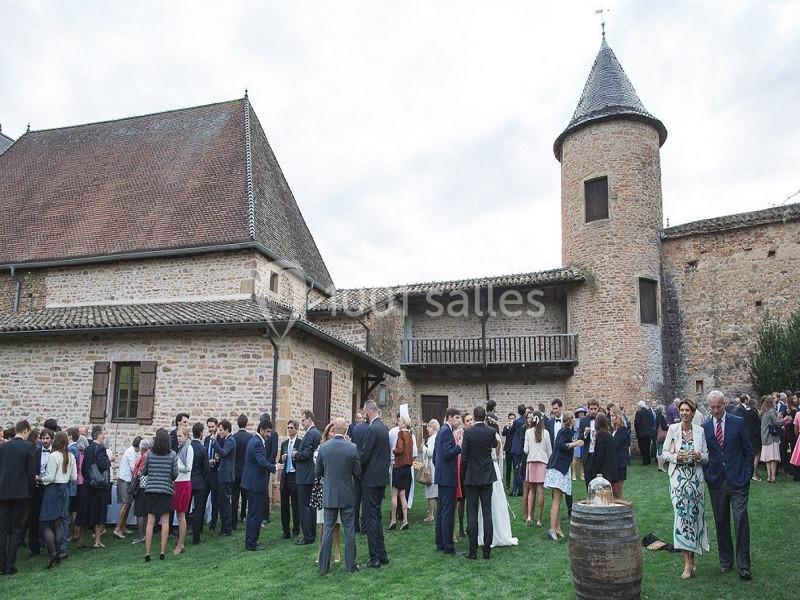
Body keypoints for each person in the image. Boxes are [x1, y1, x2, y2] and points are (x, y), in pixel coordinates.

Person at [703, 389, 754, 580]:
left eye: (718, 406)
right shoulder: (706, 427)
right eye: (712, 407)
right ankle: (726, 561)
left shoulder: (737, 422)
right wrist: (709, 474)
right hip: (716, 481)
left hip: (738, 480)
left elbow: (749, 450)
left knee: (741, 520)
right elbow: (705, 452)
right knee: (721, 521)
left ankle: (744, 565)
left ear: (724, 404)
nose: (715, 410)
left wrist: (748, 472)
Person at [661, 399, 709, 579]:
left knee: (695, 518)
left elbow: (706, 456)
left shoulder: (700, 431)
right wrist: (675, 457)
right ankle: (687, 563)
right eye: (681, 410)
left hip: (695, 482)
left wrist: (699, 456)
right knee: (681, 518)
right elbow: (664, 453)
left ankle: (693, 555)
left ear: (693, 412)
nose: (684, 413)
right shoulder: (673, 429)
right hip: (678, 482)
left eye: (687, 410)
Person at [316, 418, 361, 575]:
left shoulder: (324, 448)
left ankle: (323, 567)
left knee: (327, 529)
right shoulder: (352, 448)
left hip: (329, 493)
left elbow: (318, 472)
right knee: (349, 529)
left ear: (334, 429)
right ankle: (351, 566)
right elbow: (357, 471)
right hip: (347, 493)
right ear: (346, 429)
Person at [0, 420, 35, 576]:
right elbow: (30, 474)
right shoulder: (28, 447)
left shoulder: (3, 447)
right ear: (26, 430)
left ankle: (1, 564)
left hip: (3, 492)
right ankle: (10, 565)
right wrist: (31, 490)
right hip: (20, 494)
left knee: (2, 529)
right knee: (15, 529)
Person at [461, 406, 497, 560]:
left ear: (474, 417)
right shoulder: (490, 432)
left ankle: (473, 550)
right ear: (484, 418)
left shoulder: (468, 433)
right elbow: (495, 445)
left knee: (472, 514)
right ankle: (487, 549)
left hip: (472, 477)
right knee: (487, 512)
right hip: (487, 475)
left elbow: (464, 457)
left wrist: (464, 475)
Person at [39, 431, 77, 569]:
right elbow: (73, 477)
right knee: (58, 522)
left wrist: (39, 479)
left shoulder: (54, 455)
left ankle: (54, 552)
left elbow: (49, 477)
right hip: (65, 489)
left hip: (53, 490)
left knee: (45, 523)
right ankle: (60, 550)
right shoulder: (71, 456)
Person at [359, 400, 390, 567]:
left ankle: (375, 557)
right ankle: (382, 554)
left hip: (370, 480)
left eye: (365, 412)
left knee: (371, 519)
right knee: (377, 516)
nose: (364, 415)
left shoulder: (372, 429)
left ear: (369, 412)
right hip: (381, 479)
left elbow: (365, 455)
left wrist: (357, 467)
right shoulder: (383, 428)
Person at [545, 412, 582, 541]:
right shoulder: (565, 431)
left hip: (561, 468)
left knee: (558, 499)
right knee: (556, 499)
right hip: (558, 468)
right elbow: (560, 446)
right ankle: (552, 529)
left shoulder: (566, 431)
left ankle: (558, 528)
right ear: (571, 420)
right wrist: (576, 443)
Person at [241, 419, 277, 551]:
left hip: (252, 483)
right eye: (267, 432)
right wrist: (274, 467)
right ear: (261, 430)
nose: (269, 435)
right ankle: (251, 543)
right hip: (255, 484)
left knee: (253, 514)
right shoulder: (256, 442)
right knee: (255, 514)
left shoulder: (254, 441)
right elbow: (261, 461)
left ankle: (251, 541)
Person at [142, 429, 177, 562]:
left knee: (150, 522)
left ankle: (147, 552)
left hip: (151, 490)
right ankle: (162, 551)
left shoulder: (150, 454)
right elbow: (175, 474)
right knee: (165, 521)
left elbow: (144, 472)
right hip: (165, 490)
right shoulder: (172, 455)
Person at [75, 426, 111, 549]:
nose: (104, 436)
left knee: (85, 512)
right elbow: (102, 465)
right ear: (99, 435)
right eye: (103, 434)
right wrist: (109, 461)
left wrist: (88, 478)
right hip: (98, 486)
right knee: (98, 513)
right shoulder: (101, 449)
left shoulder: (88, 448)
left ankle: (81, 539)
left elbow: (84, 467)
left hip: (87, 484)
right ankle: (97, 541)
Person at [433, 407, 461, 556]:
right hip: (447, 478)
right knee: (447, 512)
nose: (459, 421)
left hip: (442, 476)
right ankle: (448, 545)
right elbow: (446, 453)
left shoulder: (442, 431)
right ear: (449, 417)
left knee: (442, 512)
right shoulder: (446, 431)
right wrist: (459, 447)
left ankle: (440, 542)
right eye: (457, 418)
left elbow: (436, 457)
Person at [294, 410, 322, 545]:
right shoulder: (315, 433)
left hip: (305, 475)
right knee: (311, 506)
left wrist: (295, 455)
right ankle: (311, 533)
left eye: (303, 420)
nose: (302, 423)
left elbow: (306, 454)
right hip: (310, 474)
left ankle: (308, 535)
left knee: (305, 506)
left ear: (310, 419)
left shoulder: (311, 434)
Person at [315, 424, 341, 565]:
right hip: (323, 488)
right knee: (323, 524)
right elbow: (317, 467)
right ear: (326, 434)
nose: (332, 434)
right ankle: (321, 550)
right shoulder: (321, 449)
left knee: (336, 522)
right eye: (330, 432)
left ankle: (337, 550)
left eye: (334, 431)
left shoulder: (340, 448)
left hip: (336, 488)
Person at [28, 428, 53, 556]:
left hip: (50, 488)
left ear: (51, 439)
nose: (45, 441)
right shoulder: (36, 453)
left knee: (49, 518)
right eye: (43, 438)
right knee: (35, 517)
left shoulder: (55, 453)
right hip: (38, 488)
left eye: (47, 438)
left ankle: (50, 545)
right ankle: (34, 546)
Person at [523, 412, 551, 527]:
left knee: (531, 490)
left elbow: (525, 450)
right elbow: (550, 451)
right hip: (542, 462)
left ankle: (530, 516)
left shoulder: (528, 432)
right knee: (540, 490)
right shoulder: (546, 433)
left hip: (531, 461)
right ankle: (539, 519)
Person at [113, 436, 141, 539]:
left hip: (128, 480)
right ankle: (117, 529)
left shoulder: (132, 452)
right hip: (124, 480)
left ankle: (123, 527)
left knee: (128, 504)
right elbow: (133, 467)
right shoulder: (130, 452)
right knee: (125, 504)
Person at [389, 416, 413, 530]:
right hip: (407, 467)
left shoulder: (400, 434)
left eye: (400, 421)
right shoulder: (410, 434)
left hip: (399, 466)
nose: (398, 423)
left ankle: (393, 520)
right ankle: (405, 520)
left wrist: (393, 450)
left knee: (394, 494)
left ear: (404, 423)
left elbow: (399, 450)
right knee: (403, 494)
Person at [172, 427, 193, 555]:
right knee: (178, 514)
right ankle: (180, 541)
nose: (178, 438)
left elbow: (188, 468)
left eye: (180, 436)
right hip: (178, 482)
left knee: (181, 514)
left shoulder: (189, 449)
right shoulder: (180, 450)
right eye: (177, 436)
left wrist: (175, 467)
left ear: (186, 436)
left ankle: (181, 543)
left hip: (184, 483)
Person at [214, 419, 236, 536]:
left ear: (227, 429)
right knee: (223, 502)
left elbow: (224, 453)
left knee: (225, 503)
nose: (219, 432)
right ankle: (225, 528)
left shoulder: (230, 440)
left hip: (226, 476)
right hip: (224, 475)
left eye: (221, 430)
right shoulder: (227, 440)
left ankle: (227, 529)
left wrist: (214, 443)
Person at [279, 419, 301, 539]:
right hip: (285, 476)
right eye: (288, 428)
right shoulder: (284, 444)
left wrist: (295, 456)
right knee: (284, 505)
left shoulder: (300, 443)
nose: (289, 430)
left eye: (291, 428)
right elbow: (279, 462)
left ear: (296, 429)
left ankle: (296, 529)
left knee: (295, 505)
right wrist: (282, 459)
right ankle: (285, 530)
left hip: (295, 476)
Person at [188, 423, 208, 545]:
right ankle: (196, 537)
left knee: (185, 510)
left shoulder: (188, 447)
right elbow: (206, 469)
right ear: (201, 434)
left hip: (188, 481)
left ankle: (182, 534)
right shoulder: (202, 449)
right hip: (199, 482)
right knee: (198, 510)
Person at [349, 412, 369, 533]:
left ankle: (355, 525)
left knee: (356, 498)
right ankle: (364, 526)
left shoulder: (355, 428)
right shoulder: (369, 428)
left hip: (356, 465)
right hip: (366, 467)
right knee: (365, 498)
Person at [231, 414, 252, 528]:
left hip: (235, 470)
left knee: (235, 496)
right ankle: (243, 515)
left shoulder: (234, 437)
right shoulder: (250, 438)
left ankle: (233, 520)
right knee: (245, 495)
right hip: (245, 471)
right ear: (246, 423)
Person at [454, 411, 472, 539]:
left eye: (471, 420)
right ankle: (460, 526)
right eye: (467, 420)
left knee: (471, 500)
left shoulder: (475, 433)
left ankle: (470, 526)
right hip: (461, 468)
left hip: (472, 468)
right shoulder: (458, 434)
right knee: (462, 500)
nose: (470, 422)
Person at [584, 413, 617, 486]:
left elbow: (600, 455)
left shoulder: (600, 435)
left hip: (604, 473)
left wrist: (595, 471)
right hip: (611, 471)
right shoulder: (608, 434)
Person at [130, 437, 152, 545]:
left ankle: (142, 535)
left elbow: (139, 472)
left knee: (140, 512)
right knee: (146, 512)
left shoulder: (144, 457)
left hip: (142, 486)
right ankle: (145, 535)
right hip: (148, 486)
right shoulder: (150, 456)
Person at [609, 406, 631, 500]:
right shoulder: (614, 430)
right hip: (613, 463)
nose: (611, 418)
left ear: (618, 416)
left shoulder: (623, 430)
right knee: (613, 492)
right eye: (610, 416)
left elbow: (615, 445)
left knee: (618, 492)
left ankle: (623, 512)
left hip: (620, 464)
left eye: (613, 416)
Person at [759, 397, 781, 483]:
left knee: (768, 459)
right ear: (772, 403)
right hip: (772, 438)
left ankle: (768, 477)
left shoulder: (763, 412)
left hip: (764, 437)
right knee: (773, 459)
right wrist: (785, 419)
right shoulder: (771, 412)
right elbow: (777, 423)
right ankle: (773, 477)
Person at [203, 417, 219, 532]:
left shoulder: (219, 439)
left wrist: (215, 460)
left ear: (217, 427)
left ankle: (213, 524)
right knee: (203, 498)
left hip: (216, 472)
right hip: (206, 473)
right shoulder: (207, 439)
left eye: (213, 427)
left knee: (215, 499)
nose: (211, 429)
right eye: (209, 427)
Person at [421, 419, 439, 522]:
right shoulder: (434, 438)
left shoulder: (433, 438)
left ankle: (431, 515)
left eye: (429, 427)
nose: (427, 429)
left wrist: (423, 447)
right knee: (434, 492)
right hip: (433, 467)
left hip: (431, 468)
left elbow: (431, 452)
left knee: (431, 493)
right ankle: (433, 512)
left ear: (434, 428)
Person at [741, 397, 762, 481]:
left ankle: (750, 472)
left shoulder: (745, 412)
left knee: (749, 455)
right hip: (755, 436)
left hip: (747, 435)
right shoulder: (754, 412)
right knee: (756, 455)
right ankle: (753, 473)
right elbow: (758, 423)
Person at [509, 404, 526, 496]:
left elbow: (511, 432)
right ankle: (521, 488)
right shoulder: (526, 421)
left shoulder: (516, 422)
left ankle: (516, 489)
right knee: (522, 468)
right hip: (523, 447)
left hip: (516, 448)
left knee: (516, 469)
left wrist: (510, 426)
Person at [634, 400, 655, 466]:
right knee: (647, 446)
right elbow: (652, 421)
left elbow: (637, 423)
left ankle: (645, 461)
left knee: (642, 447)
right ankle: (648, 460)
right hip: (648, 432)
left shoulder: (639, 413)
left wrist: (637, 431)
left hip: (641, 433)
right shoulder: (649, 412)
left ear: (639, 406)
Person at [501, 412, 515, 489]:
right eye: (510, 418)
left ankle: (515, 484)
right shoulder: (506, 427)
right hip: (508, 449)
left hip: (514, 449)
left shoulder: (516, 427)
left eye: (513, 418)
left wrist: (512, 427)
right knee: (508, 467)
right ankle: (507, 484)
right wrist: (508, 427)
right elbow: (503, 434)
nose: (511, 420)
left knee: (515, 467)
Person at [572, 407, 586, 481]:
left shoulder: (585, 421)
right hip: (576, 440)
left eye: (583, 413)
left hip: (584, 440)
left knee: (582, 459)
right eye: (580, 413)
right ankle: (573, 473)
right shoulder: (575, 421)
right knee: (575, 457)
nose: (581, 414)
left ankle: (581, 474)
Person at [654, 405, 669, 472]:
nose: (664, 410)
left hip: (657, 435)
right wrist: (668, 426)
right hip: (662, 436)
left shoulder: (657, 416)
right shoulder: (662, 417)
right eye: (663, 409)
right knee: (661, 451)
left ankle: (660, 466)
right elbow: (663, 427)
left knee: (659, 450)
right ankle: (661, 466)